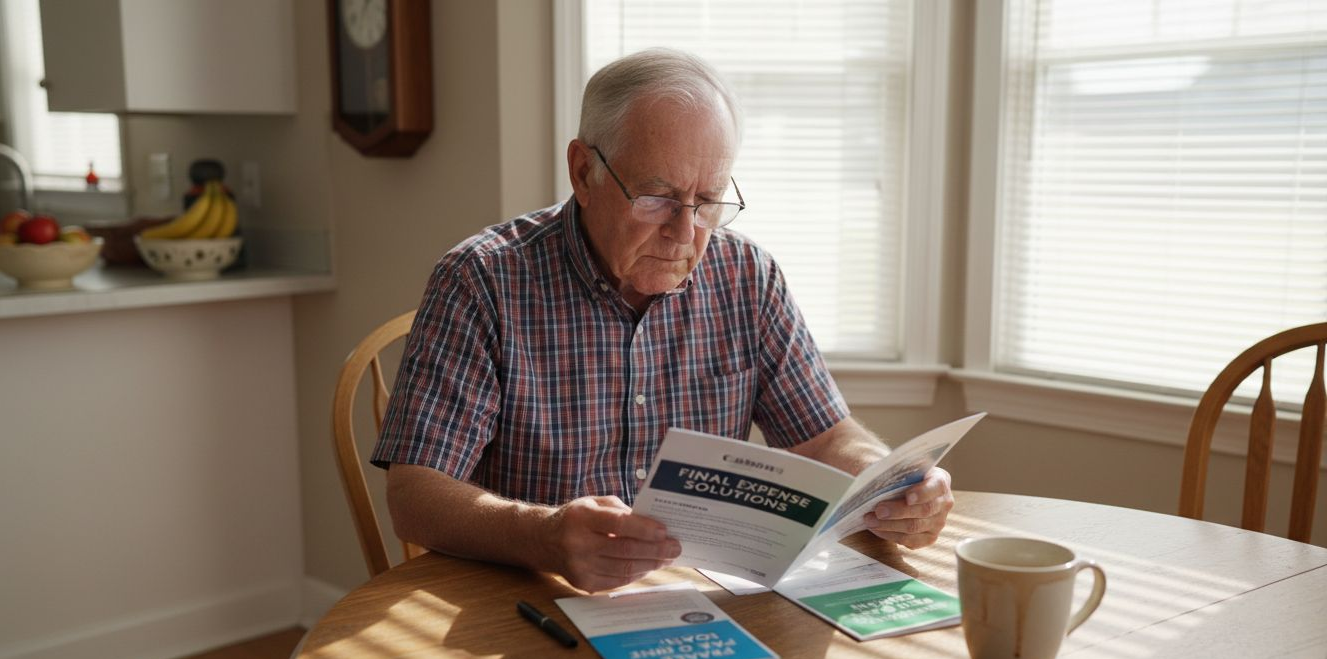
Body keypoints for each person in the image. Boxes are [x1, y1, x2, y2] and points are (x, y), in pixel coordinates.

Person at [372, 48, 954, 593]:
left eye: (707, 201)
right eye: (655, 196)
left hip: (702, 595)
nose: (685, 232)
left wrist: (890, 482)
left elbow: (826, 437)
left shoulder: (747, 277)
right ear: (583, 172)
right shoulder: (483, 279)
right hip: (528, 599)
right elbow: (415, 491)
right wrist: (542, 535)